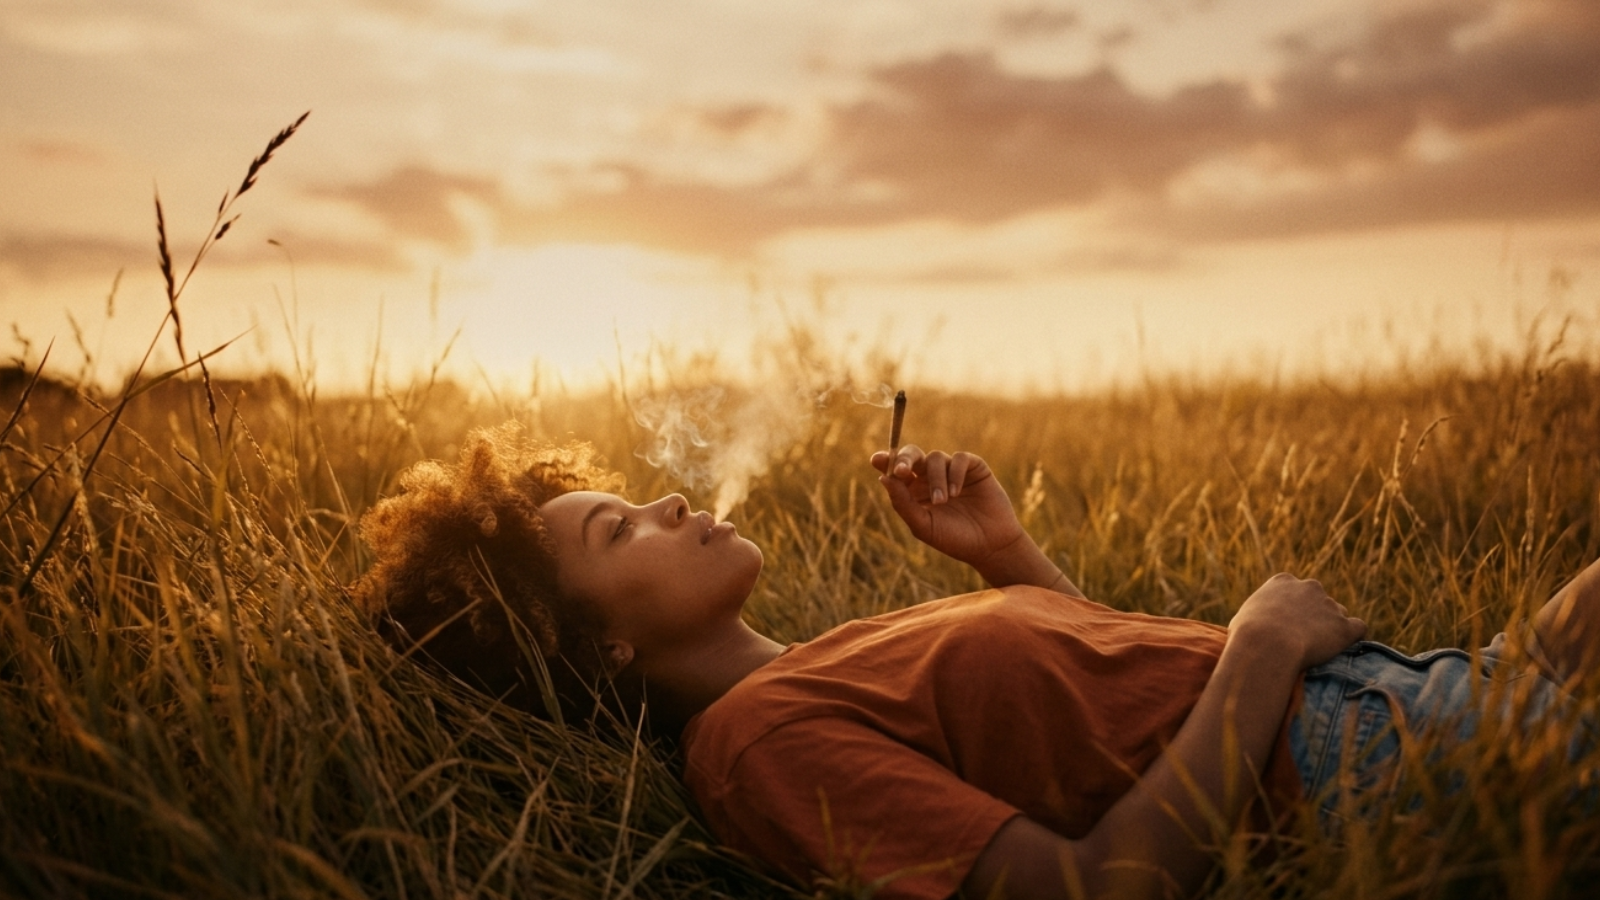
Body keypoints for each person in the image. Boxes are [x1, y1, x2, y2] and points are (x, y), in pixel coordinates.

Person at [354, 424, 1598, 900]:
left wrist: (1007, 557)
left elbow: (1113, 719)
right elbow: (1092, 886)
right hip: (1363, 771)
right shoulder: (752, 747)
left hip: (1428, 689)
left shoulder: (823, 659)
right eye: (619, 531)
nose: (668, 502)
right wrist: (1262, 648)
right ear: (599, 645)